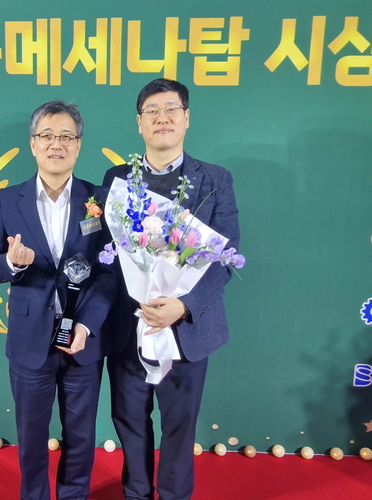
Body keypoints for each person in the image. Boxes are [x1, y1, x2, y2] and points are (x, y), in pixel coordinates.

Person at [103, 78, 240, 500]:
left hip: (187, 330)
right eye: (152, 111)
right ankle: (136, 494)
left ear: (186, 118)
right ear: (139, 123)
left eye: (171, 110)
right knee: (130, 423)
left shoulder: (214, 179)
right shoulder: (117, 178)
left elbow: (224, 258)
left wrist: (183, 305)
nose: (162, 118)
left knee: (180, 429)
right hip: (130, 328)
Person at [0, 100, 115, 500]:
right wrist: (12, 262)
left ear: (78, 145)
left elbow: (110, 273)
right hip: (29, 340)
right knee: (31, 438)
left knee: (81, 437)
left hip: (82, 341)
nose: (57, 144)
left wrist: (87, 325)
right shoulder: (7, 200)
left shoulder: (99, 199)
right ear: (33, 144)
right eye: (48, 136)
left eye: (66, 136)